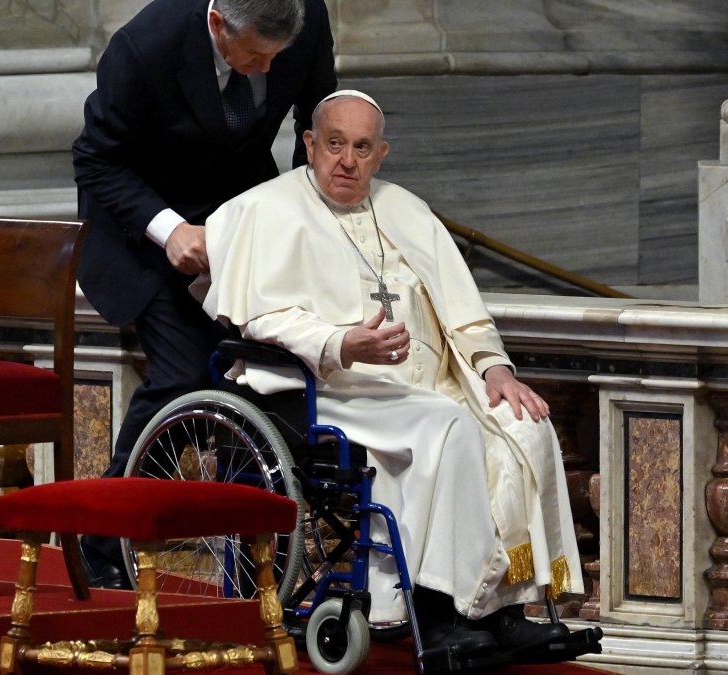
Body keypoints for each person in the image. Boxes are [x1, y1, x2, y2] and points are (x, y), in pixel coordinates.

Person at [195, 90, 584, 656]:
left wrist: (495, 368)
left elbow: (463, 307)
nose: (345, 161)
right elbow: (264, 319)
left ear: (381, 154)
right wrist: (341, 342)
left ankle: (503, 607)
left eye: (360, 148)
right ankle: (438, 612)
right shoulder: (266, 210)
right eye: (333, 145)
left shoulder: (405, 208)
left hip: (424, 386)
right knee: (447, 430)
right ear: (308, 144)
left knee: (523, 426)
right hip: (330, 390)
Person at [71, 0, 336, 588]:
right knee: (187, 377)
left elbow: (315, 127)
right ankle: (105, 543)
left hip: (240, 222)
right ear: (219, 24)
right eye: (255, 56)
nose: (267, 67)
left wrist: (313, 215)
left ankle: (253, 566)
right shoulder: (145, 46)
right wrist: (169, 230)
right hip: (143, 230)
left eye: (277, 56)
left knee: (263, 378)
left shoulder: (305, 18)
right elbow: (95, 160)